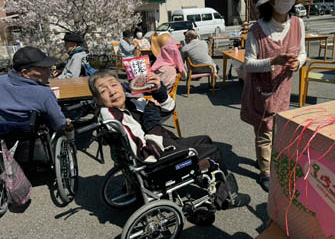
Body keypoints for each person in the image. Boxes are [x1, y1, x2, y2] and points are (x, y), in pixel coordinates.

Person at [88, 69, 250, 209]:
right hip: (159, 159)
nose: (112, 91)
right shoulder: (116, 118)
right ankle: (227, 198)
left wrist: (160, 93)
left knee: (205, 140)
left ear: (122, 86)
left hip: (164, 143)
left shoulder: (130, 103)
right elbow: (148, 155)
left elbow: (167, 109)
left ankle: (206, 178)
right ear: (97, 100)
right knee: (213, 152)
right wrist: (152, 125)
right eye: (103, 90)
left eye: (114, 84)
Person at [240, 0, 307, 192]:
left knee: (280, 130)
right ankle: (265, 171)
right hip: (261, 90)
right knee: (264, 131)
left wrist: (299, 62)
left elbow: (303, 53)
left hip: (283, 90)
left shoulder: (298, 24)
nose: (287, 0)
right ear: (271, 0)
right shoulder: (257, 30)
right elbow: (248, 63)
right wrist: (273, 61)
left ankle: (268, 161)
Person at [0, 46, 68, 162]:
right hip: (29, 140)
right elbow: (59, 124)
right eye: (43, 68)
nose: (49, 71)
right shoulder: (43, 93)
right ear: (25, 73)